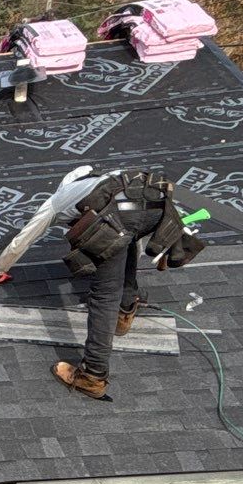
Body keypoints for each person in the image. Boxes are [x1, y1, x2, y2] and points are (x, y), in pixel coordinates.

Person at [52, 167, 203, 399]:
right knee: (126, 240)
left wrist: (0, 269)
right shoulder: (103, 182)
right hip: (153, 203)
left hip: (122, 217)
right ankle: (124, 313)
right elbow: (133, 231)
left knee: (104, 295)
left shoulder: (58, 202)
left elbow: (28, 234)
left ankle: (92, 376)